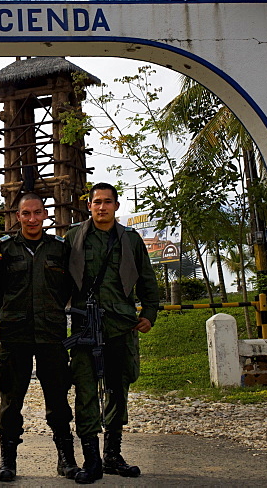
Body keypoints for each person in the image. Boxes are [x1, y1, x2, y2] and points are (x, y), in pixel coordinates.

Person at [65, 182, 159, 484]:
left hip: (120, 325)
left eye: (107, 202)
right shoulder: (73, 238)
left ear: (116, 206)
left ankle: (112, 454)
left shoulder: (130, 240)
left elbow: (147, 280)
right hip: (84, 327)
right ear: (89, 206)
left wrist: (149, 314)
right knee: (86, 392)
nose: (102, 207)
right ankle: (91, 458)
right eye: (96, 202)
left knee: (118, 390)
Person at [0, 193, 80, 482]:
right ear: (18, 216)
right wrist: (10, 315)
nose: (31, 219)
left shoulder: (59, 249)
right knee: (11, 398)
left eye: (37, 213)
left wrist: (51, 310)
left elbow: (68, 286)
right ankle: (8, 461)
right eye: (25, 213)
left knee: (58, 398)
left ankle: (66, 459)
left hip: (51, 333)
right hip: (15, 335)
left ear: (45, 215)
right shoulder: (5, 249)